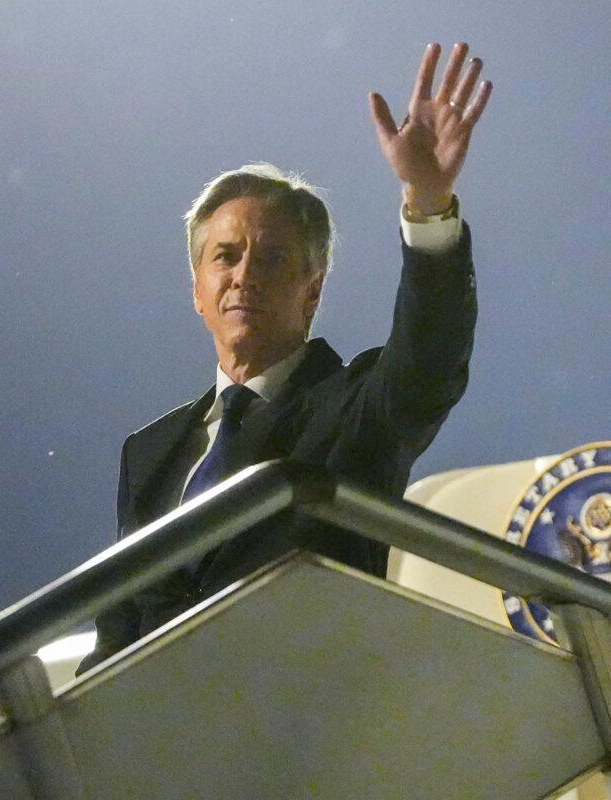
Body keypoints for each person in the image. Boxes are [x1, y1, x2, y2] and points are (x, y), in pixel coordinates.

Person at [76, 42, 492, 675]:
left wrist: (428, 203)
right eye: (226, 255)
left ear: (312, 290)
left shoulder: (357, 408)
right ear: (197, 289)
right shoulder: (149, 454)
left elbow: (429, 357)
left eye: (271, 259)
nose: (244, 275)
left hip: (304, 731)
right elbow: (118, 629)